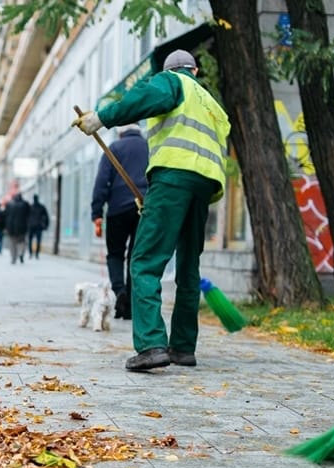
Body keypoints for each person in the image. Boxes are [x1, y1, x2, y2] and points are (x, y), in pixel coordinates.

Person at [72, 49, 229, 371]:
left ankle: (152, 345)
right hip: (203, 187)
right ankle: (183, 348)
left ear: (171, 70)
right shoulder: (213, 105)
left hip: (174, 177)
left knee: (144, 261)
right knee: (188, 267)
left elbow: (143, 99)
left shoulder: (171, 82)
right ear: (196, 70)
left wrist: (101, 117)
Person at [91, 124, 149, 321]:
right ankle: (131, 306)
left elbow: (102, 181)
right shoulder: (150, 146)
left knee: (115, 254)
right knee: (136, 256)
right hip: (144, 208)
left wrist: (96, 212)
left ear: (120, 132)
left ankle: (119, 291)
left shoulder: (114, 148)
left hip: (117, 210)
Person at [4, 193, 31, 264]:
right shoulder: (25, 204)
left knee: (13, 243)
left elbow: (5, 216)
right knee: (22, 242)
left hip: (11, 228)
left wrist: (6, 227)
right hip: (22, 227)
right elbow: (29, 215)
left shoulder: (9, 205)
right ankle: (21, 253)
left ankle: (13, 258)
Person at [27, 194, 50, 259]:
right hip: (38, 226)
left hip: (32, 226)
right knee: (38, 240)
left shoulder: (30, 207)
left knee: (31, 240)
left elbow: (26, 217)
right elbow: (46, 217)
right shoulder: (41, 207)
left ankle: (31, 253)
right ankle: (36, 253)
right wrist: (46, 225)